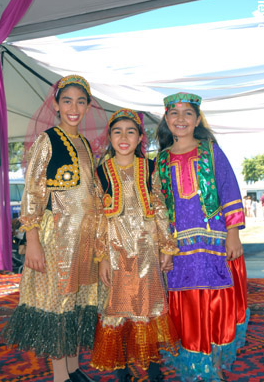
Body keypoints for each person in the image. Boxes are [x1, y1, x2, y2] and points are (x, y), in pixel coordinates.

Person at [1, 75, 99, 382]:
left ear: (87, 106)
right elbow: (33, 192)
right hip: (56, 238)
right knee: (58, 305)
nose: (74, 108)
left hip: (83, 240)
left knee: (78, 305)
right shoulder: (48, 140)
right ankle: (61, 377)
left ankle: (74, 370)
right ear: (55, 105)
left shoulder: (84, 143)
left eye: (80, 101)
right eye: (67, 101)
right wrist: (32, 240)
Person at [156, 93, 249, 382]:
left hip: (214, 244)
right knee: (186, 307)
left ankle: (213, 365)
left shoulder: (211, 152)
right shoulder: (159, 160)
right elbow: (158, 209)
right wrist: (165, 247)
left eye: (187, 114)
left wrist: (232, 234)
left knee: (215, 302)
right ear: (166, 120)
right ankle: (196, 368)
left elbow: (229, 190)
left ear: (197, 120)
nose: (180, 119)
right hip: (180, 249)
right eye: (174, 113)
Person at [90, 108, 180, 381]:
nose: (124, 136)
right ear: (109, 137)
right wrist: (102, 256)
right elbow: (97, 217)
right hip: (115, 252)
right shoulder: (101, 173)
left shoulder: (150, 168)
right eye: (118, 131)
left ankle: (153, 369)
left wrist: (166, 246)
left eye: (131, 131)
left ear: (141, 137)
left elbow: (161, 208)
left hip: (146, 252)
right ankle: (120, 371)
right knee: (115, 308)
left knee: (146, 306)